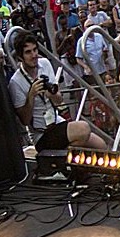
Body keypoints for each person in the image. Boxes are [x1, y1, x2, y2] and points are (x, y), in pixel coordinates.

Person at [6, 30, 109, 161]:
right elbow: (25, 120)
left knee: (101, 146)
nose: (34, 55)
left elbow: (59, 100)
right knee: (83, 128)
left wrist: (52, 94)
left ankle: (64, 158)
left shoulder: (44, 64)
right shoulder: (16, 82)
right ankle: (60, 160)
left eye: (35, 50)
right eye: (28, 52)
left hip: (56, 122)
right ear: (20, 57)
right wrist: (31, 96)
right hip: (41, 133)